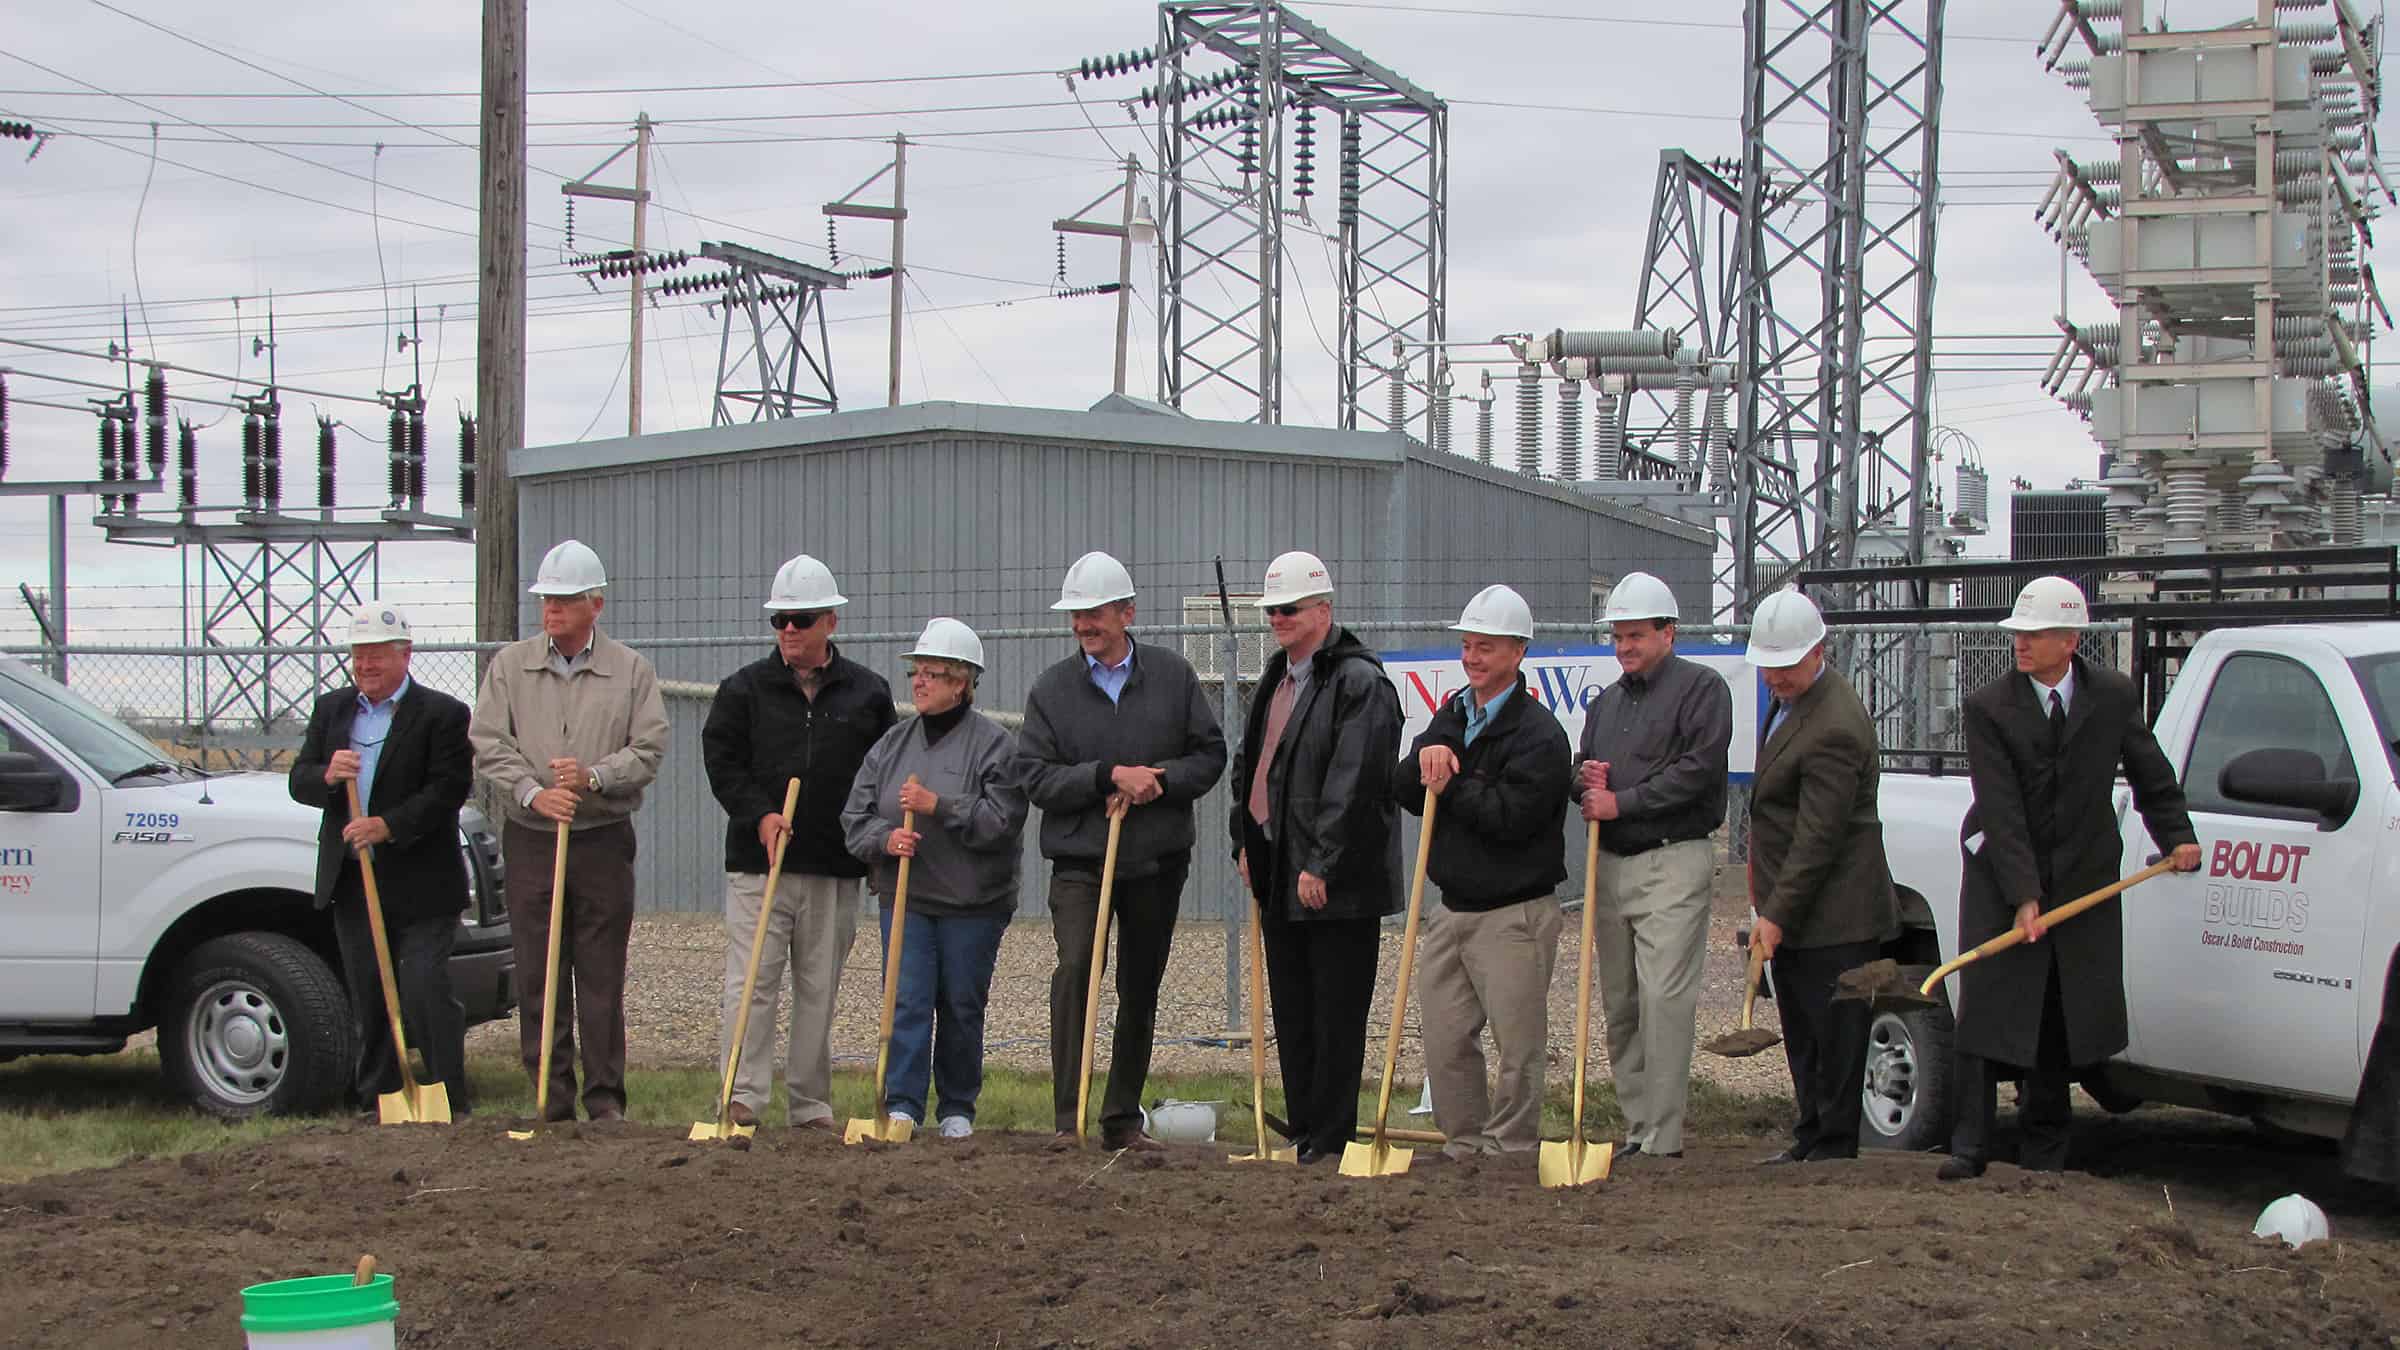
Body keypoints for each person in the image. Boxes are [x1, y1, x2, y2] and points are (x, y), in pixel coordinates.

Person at [1939, 576, 2201, 1180]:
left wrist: (2178, 837)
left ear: (2070, 639)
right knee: (1988, 1006)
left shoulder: (2110, 696)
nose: (2021, 646)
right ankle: (1971, 1144)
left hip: (2081, 875)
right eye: (2018, 635)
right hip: (2001, 874)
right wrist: (2023, 895)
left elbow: (2150, 773)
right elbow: (2000, 810)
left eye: (2035, 636)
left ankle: (2046, 1148)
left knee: (2057, 1012)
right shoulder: (1989, 708)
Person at [1016, 551, 1227, 1148]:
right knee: (1078, 971)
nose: (1084, 625)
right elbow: (1034, 776)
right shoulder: (1051, 690)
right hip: (1081, 861)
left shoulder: (1173, 677)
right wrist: (1107, 776)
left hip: (1157, 861)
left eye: (1095, 613)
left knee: (1140, 986)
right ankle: (1068, 1117)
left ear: (1127, 612)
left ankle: (1120, 1118)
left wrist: (1156, 780)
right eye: (1077, 615)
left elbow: (1208, 756)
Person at [469, 539, 671, 1122]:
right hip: (533, 838)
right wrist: (534, 792)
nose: (552, 610)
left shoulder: (630, 670)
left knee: (601, 975)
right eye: (546, 600)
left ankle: (605, 1099)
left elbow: (649, 746)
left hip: (602, 841)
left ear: (595, 605)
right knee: (540, 969)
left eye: (564, 600)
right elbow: (488, 741)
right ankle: (548, 1096)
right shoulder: (509, 667)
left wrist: (594, 778)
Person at [700, 554, 895, 1133]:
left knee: (818, 989)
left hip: (834, 867)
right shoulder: (742, 691)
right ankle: (742, 1096)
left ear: (830, 622)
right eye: (779, 620)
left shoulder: (868, 694)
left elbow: (879, 771)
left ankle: (810, 1105)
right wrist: (758, 812)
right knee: (752, 983)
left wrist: (869, 844)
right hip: (760, 867)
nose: (788, 630)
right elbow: (722, 763)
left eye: (801, 619)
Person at [1229, 550, 1404, 1164]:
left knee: (1336, 1010)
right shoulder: (1278, 678)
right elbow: (1250, 770)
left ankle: (1331, 1136)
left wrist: (1322, 863)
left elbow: (1353, 782)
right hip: (1280, 871)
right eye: (1272, 609)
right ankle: (1305, 1128)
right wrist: (1244, 843)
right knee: (1295, 1008)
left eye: (1291, 608)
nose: (1278, 618)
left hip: (1336, 881)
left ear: (1324, 609)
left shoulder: (1359, 682)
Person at [1390, 584, 1571, 1161]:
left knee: (1518, 1044)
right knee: (1444, 1037)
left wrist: (1452, 779)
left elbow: (1511, 817)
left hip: (1514, 914)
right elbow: (1404, 788)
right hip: (1451, 909)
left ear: (1517, 653)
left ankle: (1511, 1145)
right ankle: (1462, 1141)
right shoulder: (1453, 715)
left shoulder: (1540, 735)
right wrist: (1427, 760)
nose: (1471, 658)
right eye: (1467, 646)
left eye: (1485, 648)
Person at [842, 619, 1029, 1139]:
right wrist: (885, 840)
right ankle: (901, 1103)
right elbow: (855, 817)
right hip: (908, 899)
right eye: (916, 672)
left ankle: (956, 1108)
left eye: (934, 673)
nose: (920, 682)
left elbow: (1002, 821)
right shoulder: (891, 746)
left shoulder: (994, 746)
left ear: (963, 682)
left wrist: (939, 806)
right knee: (906, 1001)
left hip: (973, 903)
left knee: (961, 1006)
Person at [288, 603, 475, 1118]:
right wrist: (328, 774)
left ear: (405, 655)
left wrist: (387, 825)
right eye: (358, 655)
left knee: (421, 987)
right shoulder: (333, 711)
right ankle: (381, 1098)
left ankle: (446, 1099)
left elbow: (449, 788)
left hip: (422, 881)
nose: (366, 665)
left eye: (376, 655)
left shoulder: (442, 714)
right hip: (353, 879)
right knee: (369, 991)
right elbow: (298, 780)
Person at [1575, 570, 1731, 1162]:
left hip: (1673, 858)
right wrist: (1583, 780)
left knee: (1664, 999)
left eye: (1636, 636)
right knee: (1622, 1002)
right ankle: (1637, 1123)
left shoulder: (1702, 690)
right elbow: (1582, 770)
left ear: (1669, 632)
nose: (1624, 648)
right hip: (1610, 864)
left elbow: (1698, 771)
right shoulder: (1606, 702)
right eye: (1618, 637)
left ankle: (1664, 1136)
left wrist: (1624, 801)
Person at [1741, 588, 1899, 1164]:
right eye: (1768, 668)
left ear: (1818, 653)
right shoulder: (1796, 703)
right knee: (1805, 1032)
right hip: (1802, 907)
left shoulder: (1834, 725)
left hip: (1836, 915)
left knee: (1834, 1037)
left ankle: (1833, 1149)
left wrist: (1777, 914)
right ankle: (1811, 1134)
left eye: (1784, 669)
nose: (1774, 679)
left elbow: (1819, 838)